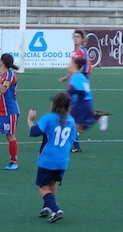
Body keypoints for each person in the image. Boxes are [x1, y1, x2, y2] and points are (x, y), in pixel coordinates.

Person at [27, 91, 77, 223]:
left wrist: (30, 119)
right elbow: (72, 140)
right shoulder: (71, 121)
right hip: (62, 160)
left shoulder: (48, 118)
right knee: (52, 184)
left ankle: (55, 209)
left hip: (47, 160)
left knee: (42, 186)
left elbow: (34, 132)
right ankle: (47, 207)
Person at [59, 29, 109, 133]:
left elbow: (85, 68)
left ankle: (75, 131)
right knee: (74, 107)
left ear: (82, 39)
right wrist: (67, 77)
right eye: (74, 37)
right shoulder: (74, 52)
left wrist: (82, 81)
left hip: (79, 83)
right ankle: (94, 118)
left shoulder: (82, 51)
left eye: (78, 37)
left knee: (74, 106)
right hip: (74, 81)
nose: (75, 39)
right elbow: (74, 68)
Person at [67, 57, 100, 152]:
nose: (69, 65)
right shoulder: (80, 76)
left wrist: (65, 94)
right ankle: (76, 146)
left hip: (82, 103)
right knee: (76, 125)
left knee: (73, 125)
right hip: (85, 102)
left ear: (75, 66)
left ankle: (94, 116)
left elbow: (79, 91)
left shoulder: (77, 76)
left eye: (71, 63)